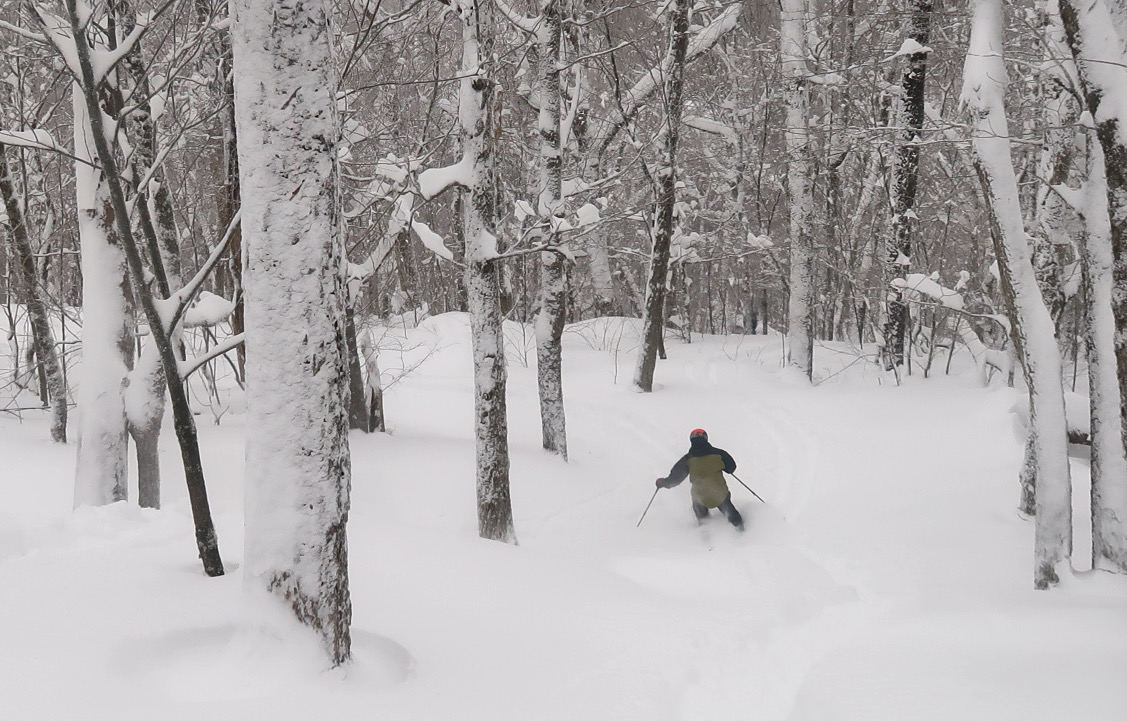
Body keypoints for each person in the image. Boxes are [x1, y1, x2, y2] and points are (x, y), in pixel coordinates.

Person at [656, 429, 744, 531]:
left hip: (700, 496)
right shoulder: (719, 454)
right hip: (720, 494)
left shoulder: (687, 459)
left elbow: (676, 478)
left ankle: (705, 537)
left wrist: (664, 482)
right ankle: (741, 533)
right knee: (733, 516)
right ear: (706, 438)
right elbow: (731, 468)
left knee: (703, 520)